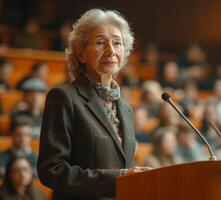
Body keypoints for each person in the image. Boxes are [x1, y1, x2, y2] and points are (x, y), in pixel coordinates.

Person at [37, 9, 151, 200]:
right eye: (100, 43)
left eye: (117, 43)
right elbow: (52, 170)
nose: (111, 51)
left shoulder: (125, 108)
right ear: (81, 54)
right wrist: (119, 178)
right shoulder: (64, 97)